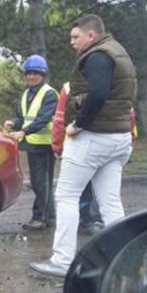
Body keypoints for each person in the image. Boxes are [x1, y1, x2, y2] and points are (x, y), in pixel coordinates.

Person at [30, 14, 136, 278]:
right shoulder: (119, 52)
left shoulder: (99, 56)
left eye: (76, 37)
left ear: (92, 35)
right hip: (118, 138)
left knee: (66, 196)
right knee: (110, 202)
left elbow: (98, 94)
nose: (72, 42)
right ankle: (123, 260)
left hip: (94, 137)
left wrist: (78, 125)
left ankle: (63, 260)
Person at [4, 55, 58, 231]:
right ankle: (49, 217)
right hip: (33, 144)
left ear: (42, 74)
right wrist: (14, 123)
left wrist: (24, 131)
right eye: (29, 73)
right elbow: (23, 117)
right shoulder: (27, 93)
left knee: (42, 183)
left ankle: (40, 217)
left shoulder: (49, 93)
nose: (31, 77)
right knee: (40, 182)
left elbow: (43, 118)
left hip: (45, 145)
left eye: (35, 73)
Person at [51, 82, 104, 235]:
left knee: (73, 190)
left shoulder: (69, 87)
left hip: (78, 143)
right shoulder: (116, 83)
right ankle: (100, 221)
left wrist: (57, 146)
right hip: (108, 145)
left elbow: (59, 119)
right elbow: (128, 116)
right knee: (105, 189)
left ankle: (85, 220)